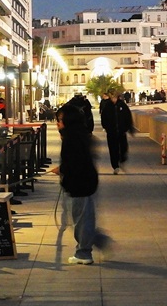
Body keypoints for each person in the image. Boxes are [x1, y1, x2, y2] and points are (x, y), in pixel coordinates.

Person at [52, 103, 109, 265]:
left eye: (60, 119)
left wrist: (62, 169)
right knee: (82, 218)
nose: (58, 123)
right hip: (83, 182)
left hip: (79, 184)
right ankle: (96, 241)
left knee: (82, 220)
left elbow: (75, 162)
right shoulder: (79, 133)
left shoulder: (72, 137)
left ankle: (84, 253)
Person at [99, 89, 133, 174]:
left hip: (121, 131)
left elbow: (128, 117)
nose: (113, 99)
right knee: (113, 149)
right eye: (112, 97)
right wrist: (106, 127)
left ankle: (122, 160)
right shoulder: (107, 106)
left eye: (114, 97)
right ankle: (115, 166)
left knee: (123, 147)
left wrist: (128, 128)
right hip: (111, 132)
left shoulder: (122, 105)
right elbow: (103, 118)